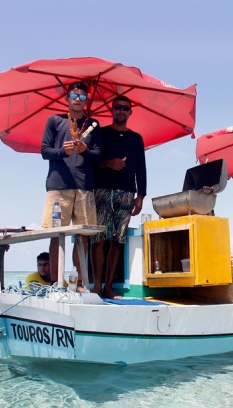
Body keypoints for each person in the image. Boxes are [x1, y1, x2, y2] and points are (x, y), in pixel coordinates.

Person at [41, 81, 102, 284]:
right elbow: (44, 151)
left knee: (83, 236)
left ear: (86, 101)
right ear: (67, 98)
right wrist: (62, 151)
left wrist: (85, 150)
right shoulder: (55, 120)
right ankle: (56, 283)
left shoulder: (93, 125)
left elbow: (98, 156)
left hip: (85, 186)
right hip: (58, 186)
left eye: (82, 97)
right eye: (74, 96)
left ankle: (79, 282)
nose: (78, 100)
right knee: (56, 234)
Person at [90, 95, 147, 299]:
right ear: (112, 110)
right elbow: (91, 160)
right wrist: (108, 163)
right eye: (117, 107)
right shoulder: (101, 133)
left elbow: (141, 168)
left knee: (117, 240)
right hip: (102, 191)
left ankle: (108, 288)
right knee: (98, 239)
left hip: (125, 194)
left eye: (125, 108)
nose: (121, 111)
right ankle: (96, 286)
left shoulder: (136, 139)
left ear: (130, 112)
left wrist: (140, 195)